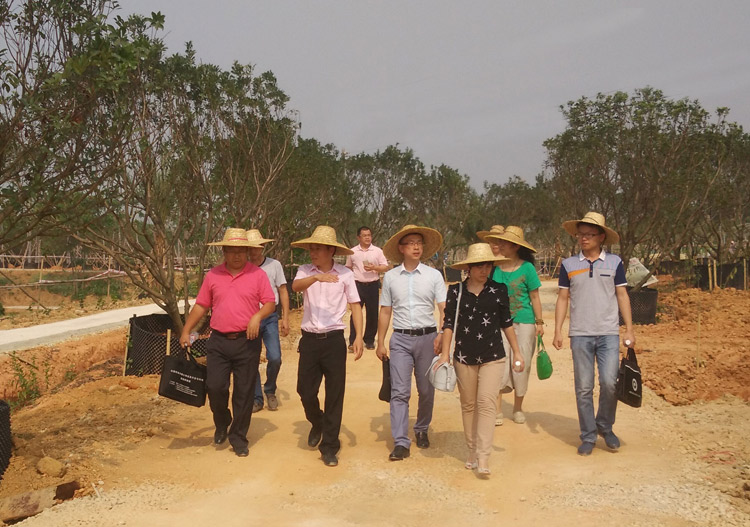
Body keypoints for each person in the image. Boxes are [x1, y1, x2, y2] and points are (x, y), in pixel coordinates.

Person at [179, 228, 275, 457]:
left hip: (247, 342)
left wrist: (257, 316)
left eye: (241, 251)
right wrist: (186, 330)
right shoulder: (213, 276)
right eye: (232, 251)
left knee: (243, 392)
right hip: (219, 342)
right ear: (224, 251)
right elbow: (202, 305)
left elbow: (270, 303)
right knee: (215, 387)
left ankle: (238, 437)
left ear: (247, 251)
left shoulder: (257, 275)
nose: (237, 256)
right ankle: (222, 421)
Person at [552, 212, 635, 456]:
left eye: (589, 234)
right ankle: (588, 435)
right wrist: (558, 330)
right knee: (583, 387)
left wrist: (629, 328)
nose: (583, 239)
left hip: (608, 333)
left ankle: (605, 427)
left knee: (609, 383)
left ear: (601, 237)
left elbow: (622, 295)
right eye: (581, 234)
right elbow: (563, 298)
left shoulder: (615, 263)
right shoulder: (569, 265)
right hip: (580, 334)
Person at [436, 243, 523, 476]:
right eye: (480, 266)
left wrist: (517, 351)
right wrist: (445, 354)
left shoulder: (499, 290)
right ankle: (472, 450)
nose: (485, 270)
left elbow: (506, 322)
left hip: (493, 355)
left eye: (488, 266)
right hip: (463, 356)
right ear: (469, 268)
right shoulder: (455, 291)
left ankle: (484, 457)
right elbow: (447, 325)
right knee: (469, 404)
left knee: (486, 403)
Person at [291, 225, 364, 467]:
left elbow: (355, 305)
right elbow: (295, 288)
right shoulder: (304, 271)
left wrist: (359, 336)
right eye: (311, 249)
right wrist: (316, 277)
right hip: (309, 340)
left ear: (331, 250)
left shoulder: (345, 274)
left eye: (318, 249)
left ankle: (330, 446)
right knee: (305, 391)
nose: (313, 253)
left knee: (334, 394)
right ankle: (317, 422)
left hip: (334, 340)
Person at [376, 225, 446, 461]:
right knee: (399, 391)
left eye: (419, 242)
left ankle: (422, 428)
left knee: (426, 390)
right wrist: (380, 341)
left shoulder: (434, 276)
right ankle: (400, 442)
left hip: (428, 338)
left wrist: (442, 335)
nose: (416, 246)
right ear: (401, 248)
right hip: (401, 340)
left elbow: (444, 309)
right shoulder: (391, 278)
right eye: (411, 243)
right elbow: (385, 311)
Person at [481, 225, 543, 426]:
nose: (499, 245)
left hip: (524, 321)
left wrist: (539, 322)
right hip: (499, 323)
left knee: (520, 364)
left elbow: (534, 296)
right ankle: (498, 409)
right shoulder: (494, 268)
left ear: (515, 246)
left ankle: (518, 407)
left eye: (504, 242)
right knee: (499, 363)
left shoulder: (527, 268)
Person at [246, 229, 290, 413]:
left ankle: (270, 389)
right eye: (251, 247)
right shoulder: (244, 267)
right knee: (251, 359)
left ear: (263, 246)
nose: (255, 250)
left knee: (275, 357)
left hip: (270, 316)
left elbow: (282, 291)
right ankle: (257, 397)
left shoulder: (274, 265)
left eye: (258, 246)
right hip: (249, 317)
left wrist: (285, 318)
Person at [345, 226, 390, 351]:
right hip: (357, 285)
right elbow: (348, 268)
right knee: (355, 312)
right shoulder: (352, 252)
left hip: (372, 285)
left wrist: (375, 268)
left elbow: (385, 266)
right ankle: (353, 340)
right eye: (364, 235)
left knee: (372, 313)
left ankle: (369, 340)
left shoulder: (377, 251)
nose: (367, 238)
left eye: (369, 235)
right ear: (358, 237)